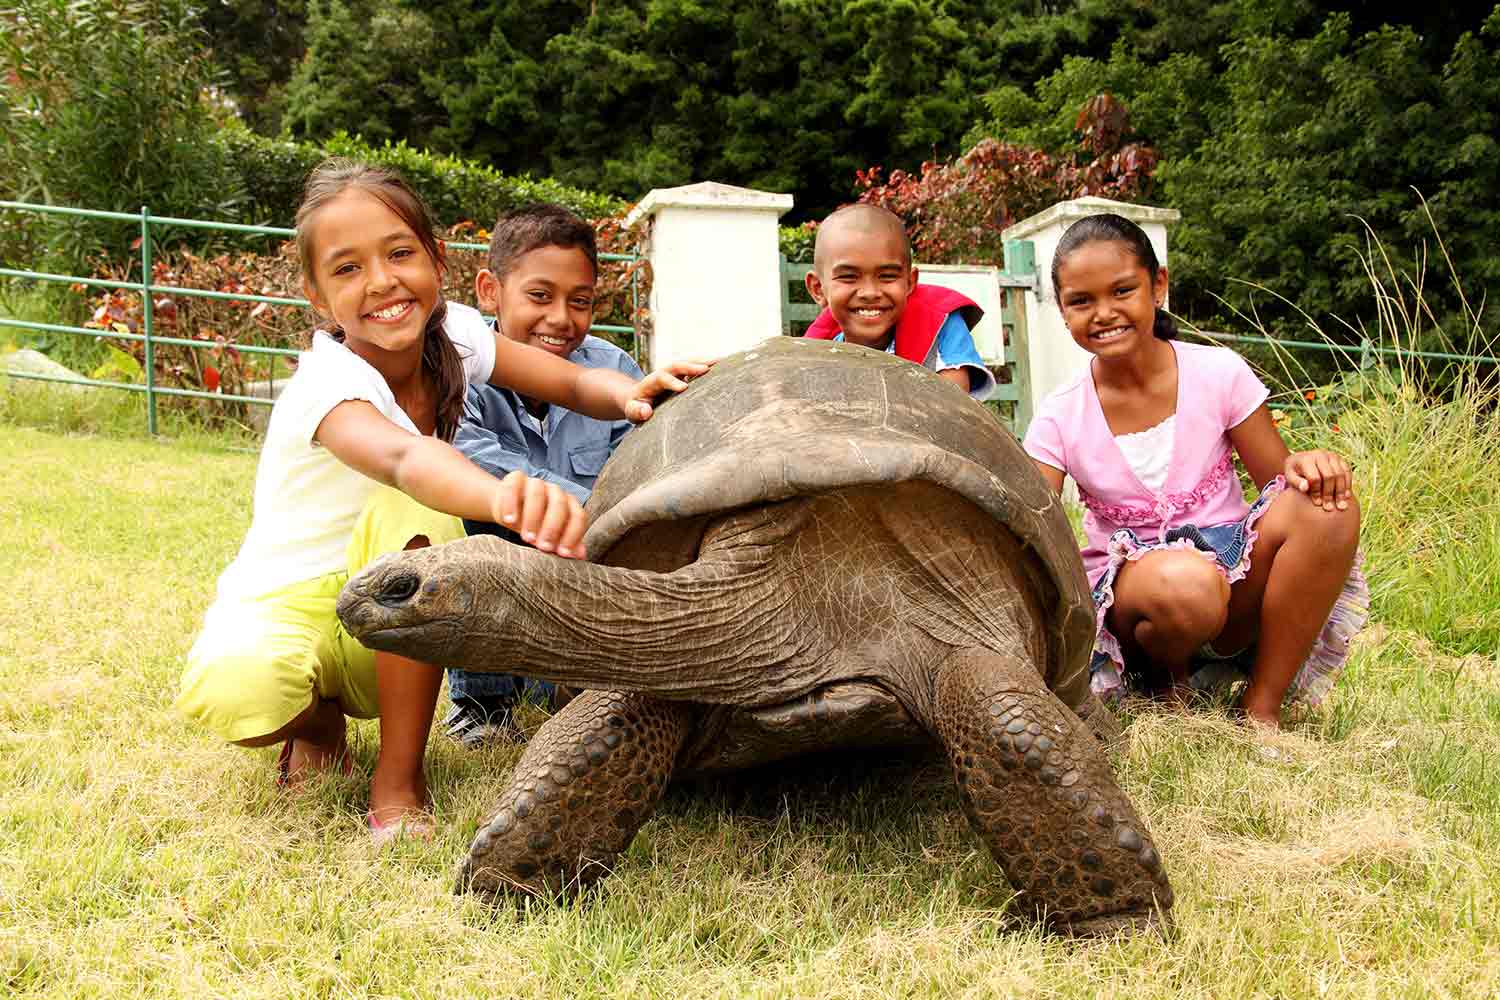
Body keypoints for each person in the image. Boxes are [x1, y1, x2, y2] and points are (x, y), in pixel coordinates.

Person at [176, 159, 707, 843]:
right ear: (315, 295)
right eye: (347, 269)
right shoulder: (326, 384)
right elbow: (406, 456)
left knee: (417, 523)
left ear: (437, 259)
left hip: (393, 613)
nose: (382, 282)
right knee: (239, 691)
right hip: (293, 598)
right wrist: (503, 495)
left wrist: (629, 393)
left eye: (400, 253)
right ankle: (317, 720)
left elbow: (570, 383)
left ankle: (399, 780)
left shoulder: (453, 333)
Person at [1022, 213, 1367, 729]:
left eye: (1122, 291)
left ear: (1157, 286)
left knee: (1326, 507)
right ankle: (1165, 684)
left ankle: (1263, 706)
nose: (1104, 312)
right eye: (1081, 301)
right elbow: (1036, 527)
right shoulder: (1058, 416)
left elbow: (1281, 481)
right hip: (1140, 600)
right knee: (1184, 583)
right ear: (1062, 311)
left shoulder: (1218, 372)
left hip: (1234, 572)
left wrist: (1311, 465)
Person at [443, 204, 643, 747]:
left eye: (579, 302)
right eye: (539, 296)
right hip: (510, 539)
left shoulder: (614, 370)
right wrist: (583, 507)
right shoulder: (457, 370)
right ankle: (481, 703)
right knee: (478, 533)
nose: (561, 318)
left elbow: (641, 468)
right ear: (490, 291)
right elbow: (472, 461)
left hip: (589, 561)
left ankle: (587, 684)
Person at [802, 203, 995, 401]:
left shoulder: (941, 325)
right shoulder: (817, 355)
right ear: (818, 289)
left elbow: (949, 409)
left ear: (910, 282)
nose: (870, 293)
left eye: (886, 276)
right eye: (849, 277)